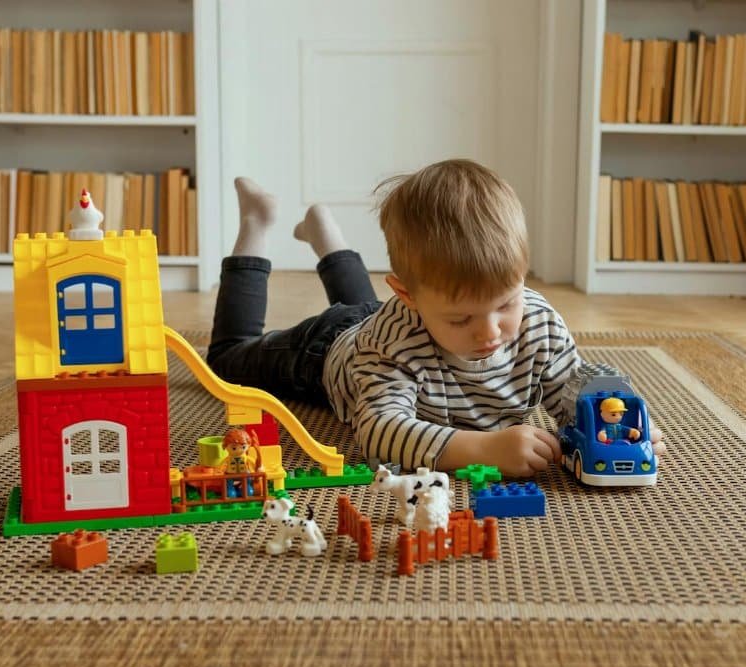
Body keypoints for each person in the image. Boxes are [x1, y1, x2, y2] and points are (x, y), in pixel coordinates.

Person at [206, 159, 665, 477]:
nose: (490, 332)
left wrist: (614, 429)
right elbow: (380, 433)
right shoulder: (391, 343)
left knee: (369, 309)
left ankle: (324, 232)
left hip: (389, 321)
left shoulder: (540, 324)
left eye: (506, 303)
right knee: (227, 361)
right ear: (407, 296)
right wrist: (483, 448)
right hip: (326, 351)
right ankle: (257, 222)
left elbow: (570, 390)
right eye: (462, 319)